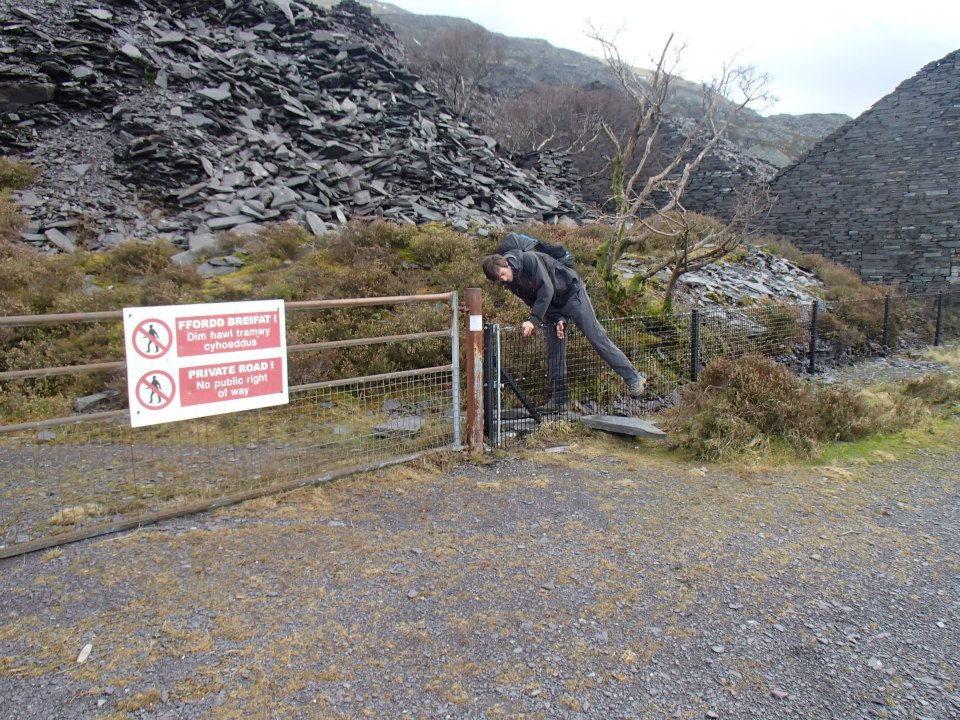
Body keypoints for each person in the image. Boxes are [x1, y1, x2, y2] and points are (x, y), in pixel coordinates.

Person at [482, 247, 646, 409]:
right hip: (554, 307)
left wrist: (533, 320)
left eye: (503, 274)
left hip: (573, 295)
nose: (504, 280)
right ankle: (558, 401)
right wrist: (557, 318)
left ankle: (633, 378)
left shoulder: (530, 260)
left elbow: (546, 289)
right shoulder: (512, 284)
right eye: (499, 279)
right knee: (555, 352)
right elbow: (533, 301)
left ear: (506, 263)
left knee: (596, 337)